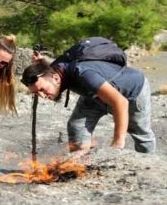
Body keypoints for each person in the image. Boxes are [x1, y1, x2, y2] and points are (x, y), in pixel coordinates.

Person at [21, 53, 156, 154]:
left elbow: (120, 102)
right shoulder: (55, 70)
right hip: (94, 94)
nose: (42, 96)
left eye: (42, 90)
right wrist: (42, 62)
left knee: (141, 134)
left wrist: (118, 143)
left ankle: (147, 165)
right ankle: (79, 161)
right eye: (36, 93)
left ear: (56, 78)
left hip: (131, 93)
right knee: (76, 124)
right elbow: (50, 69)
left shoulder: (84, 74)